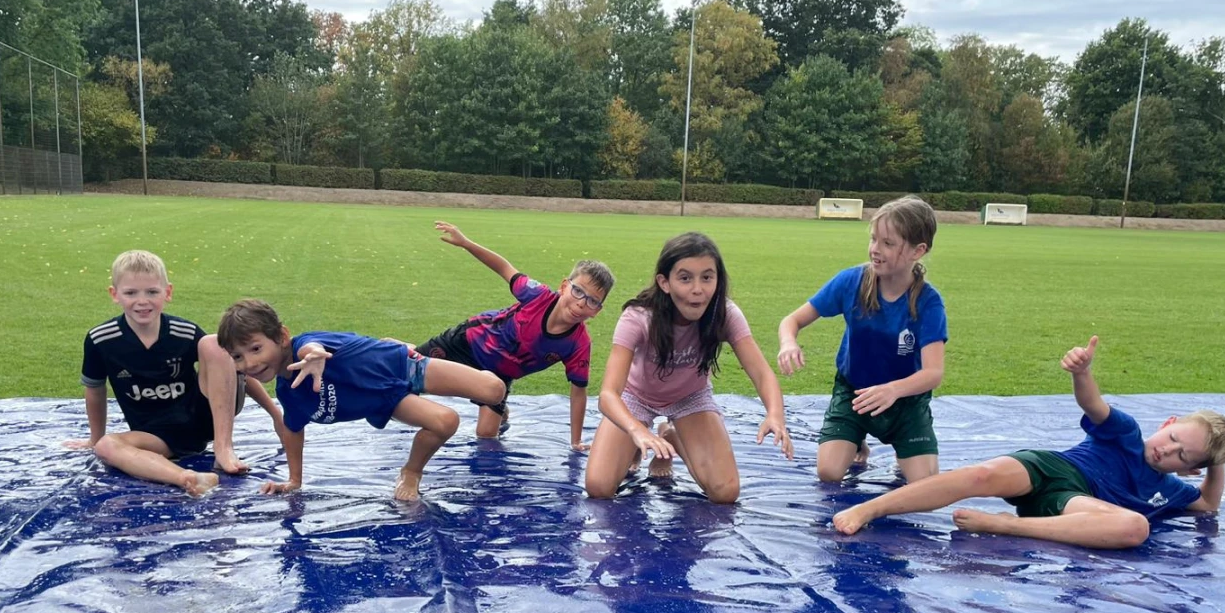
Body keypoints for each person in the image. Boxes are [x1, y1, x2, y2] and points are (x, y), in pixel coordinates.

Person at [831, 336, 1225, 549]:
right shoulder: (1127, 432)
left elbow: (1207, 504)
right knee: (983, 474)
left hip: (1072, 505)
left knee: (1134, 526)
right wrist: (1082, 372)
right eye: (1171, 437)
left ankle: (1007, 526)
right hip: (1054, 468)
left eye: (1181, 454)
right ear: (1166, 424)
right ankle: (873, 507)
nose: (1166, 450)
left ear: (1191, 469)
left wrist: (1215, 459)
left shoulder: (1169, 490)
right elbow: (1092, 403)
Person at [216, 299, 507, 501]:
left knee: (494, 390)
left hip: (401, 365)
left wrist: (314, 357)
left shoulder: (306, 343)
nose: (250, 363)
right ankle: (411, 472)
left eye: (255, 348)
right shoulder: (289, 393)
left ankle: (401, 347)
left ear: (281, 336)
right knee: (446, 420)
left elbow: (313, 348)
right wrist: (295, 480)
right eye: (238, 356)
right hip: (387, 400)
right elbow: (292, 430)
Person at [584, 231, 793, 503]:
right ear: (665, 282)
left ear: (718, 280)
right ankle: (640, 443)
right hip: (637, 399)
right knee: (599, 487)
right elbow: (608, 394)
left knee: (725, 493)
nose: (698, 289)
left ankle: (672, 436)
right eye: (685, 278)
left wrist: (775, 415)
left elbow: (762, 373)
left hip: (690, 398)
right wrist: (636, 430)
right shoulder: (638, 317)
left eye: (707, 277)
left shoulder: (726, 314)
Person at [67, 250, 279, 497]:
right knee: (105, 447)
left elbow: (233, 366)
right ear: (115, 294)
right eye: (131, 292)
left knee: (214, 343)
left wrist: (275, 414)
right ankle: (188, 478)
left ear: (167, 292)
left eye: (152, 292)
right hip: (155, 437)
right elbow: (95, 389)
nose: (142, 301)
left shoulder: (184, 332)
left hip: (203, 420)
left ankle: (223, 449)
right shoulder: (100, 340)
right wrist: (95, 438)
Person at [777, 195, 946, 483]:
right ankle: (855, 437)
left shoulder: (928, 303)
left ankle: (901, 444)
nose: (875, 250)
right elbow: (791, 320)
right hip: (854, 394)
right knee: (828, 472)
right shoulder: (851, 282)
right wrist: (788, 342)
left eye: (888, 243)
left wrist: (892, 390)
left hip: (905, 402)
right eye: (873, 240)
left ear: (918, 251)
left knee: (924, 483)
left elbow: (933, 373)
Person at [412, 221, 613, 450]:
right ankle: (394, 346)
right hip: (468, 343)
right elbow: (504, 268)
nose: (580, 303)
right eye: (578, 291)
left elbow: (578, 392)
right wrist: (466, 243)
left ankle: (497, 404)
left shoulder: (578, 344)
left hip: (499, 375)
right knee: (408, 373)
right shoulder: (537, 295)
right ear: (564, 286)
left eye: (592, 301)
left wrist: (576, 440)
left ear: (597, 311)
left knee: (486, 435)